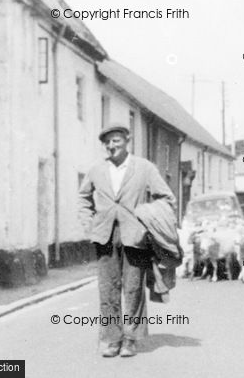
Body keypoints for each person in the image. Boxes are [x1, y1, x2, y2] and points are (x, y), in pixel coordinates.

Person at [78, 123, 176, 358]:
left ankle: (130, 338)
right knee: (108, 288)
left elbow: (166, 197)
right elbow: (83, 198)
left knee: (133, 289)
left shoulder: (144, 168)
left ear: (127, 141)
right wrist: (89, 224)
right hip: (104, 236)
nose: (112, 146)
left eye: (116, 141)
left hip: (135, 236)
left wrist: (148, 219)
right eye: (108, 142)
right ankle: (112, 339)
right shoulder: (96, 170)